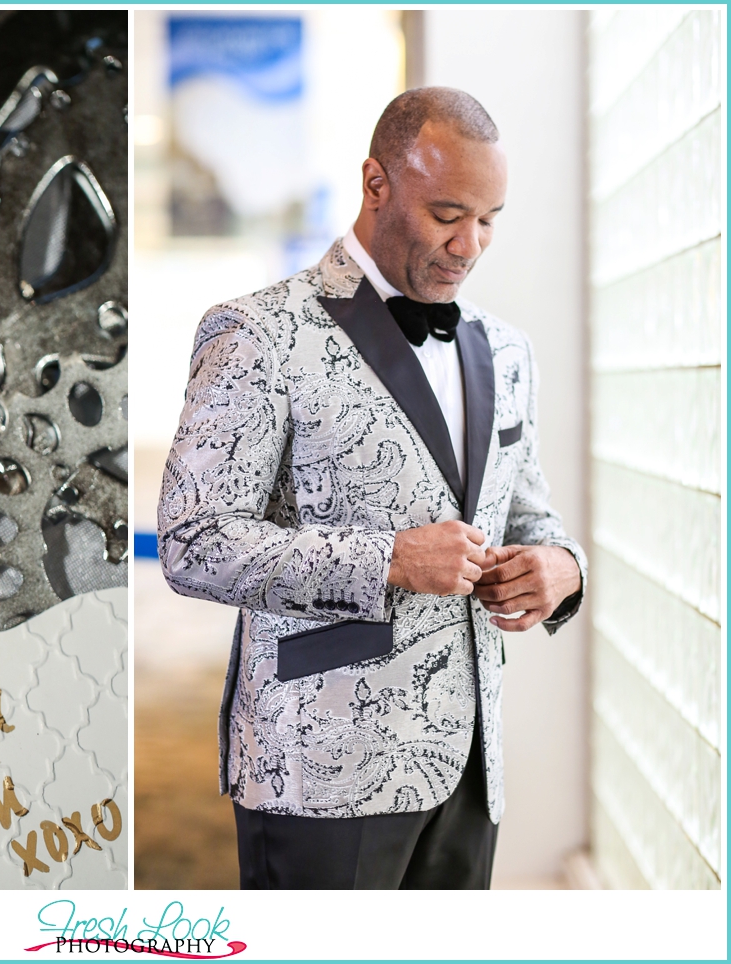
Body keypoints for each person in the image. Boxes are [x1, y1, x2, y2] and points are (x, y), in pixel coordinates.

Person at [157, 87, 586, 889]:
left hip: (470, 767)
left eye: (489, 219)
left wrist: (562, 567)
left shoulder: (509, 349)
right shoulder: (257, 332)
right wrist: (387, 559)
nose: (469, 245)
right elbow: (192, 541)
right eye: (447, 213)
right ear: (376, 183)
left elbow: (527, 509)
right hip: (320, 767)